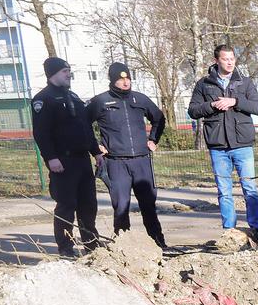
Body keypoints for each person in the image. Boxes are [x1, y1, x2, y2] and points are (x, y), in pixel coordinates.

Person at [187, 43, 258, 242]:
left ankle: (256, 229)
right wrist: (212, 105)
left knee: (250, 189)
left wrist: (236, 102)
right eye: (225, 59)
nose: (230, 62)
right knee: (224, 191)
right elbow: (193, 111)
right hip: (218, 146)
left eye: (232, 58)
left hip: (242, 144)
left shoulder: (244, 82)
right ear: (216, 60)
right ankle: (229, 231)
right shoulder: (204, 84)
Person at [88, 62, 167, 251]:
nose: (125, 82)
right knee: (121, 206)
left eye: (127, 78)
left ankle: (158, 243)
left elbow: (158, 118)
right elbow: (83, 125)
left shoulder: (139, 99)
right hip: (116, 163)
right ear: (113, 80)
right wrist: (96, 148)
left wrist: (153, 139)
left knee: (148, 204)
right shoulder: (100, 101)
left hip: (141, 161)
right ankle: (123, 246)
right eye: (121, 79)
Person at [32, 56, 101, 257]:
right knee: (66, 206)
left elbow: (86, 129)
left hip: (82, 161)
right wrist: (50, 157)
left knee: (88, 205)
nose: (68, 74)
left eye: (68, 70)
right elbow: (41, 133)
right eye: (65, 71)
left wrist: (96, 152)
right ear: (53, 74)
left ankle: (91, 245)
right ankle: (66, 247)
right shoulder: (43, 99)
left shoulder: (73, 97)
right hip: (63, 161)